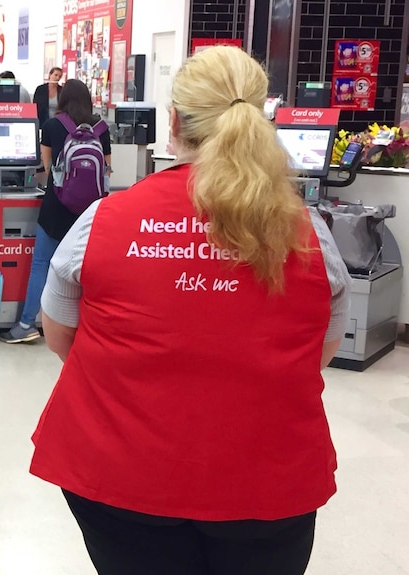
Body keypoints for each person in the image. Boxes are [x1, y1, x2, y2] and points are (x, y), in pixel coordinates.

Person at [30, 47, 350, 575]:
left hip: (122, 474)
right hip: (266, 479)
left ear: (173, 122)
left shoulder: (102, 221)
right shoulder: (307, 232)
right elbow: (319, 351)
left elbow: (61, 335)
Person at [0, 79, 110, 344]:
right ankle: (86, 327)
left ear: (62, 99)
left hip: (56, 208)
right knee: (86, 270)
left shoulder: (52, 125)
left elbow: (48, 170)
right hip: (90, 212)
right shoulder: (102, 128)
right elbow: (105, 170)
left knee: (41, 265)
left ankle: (27, 323)